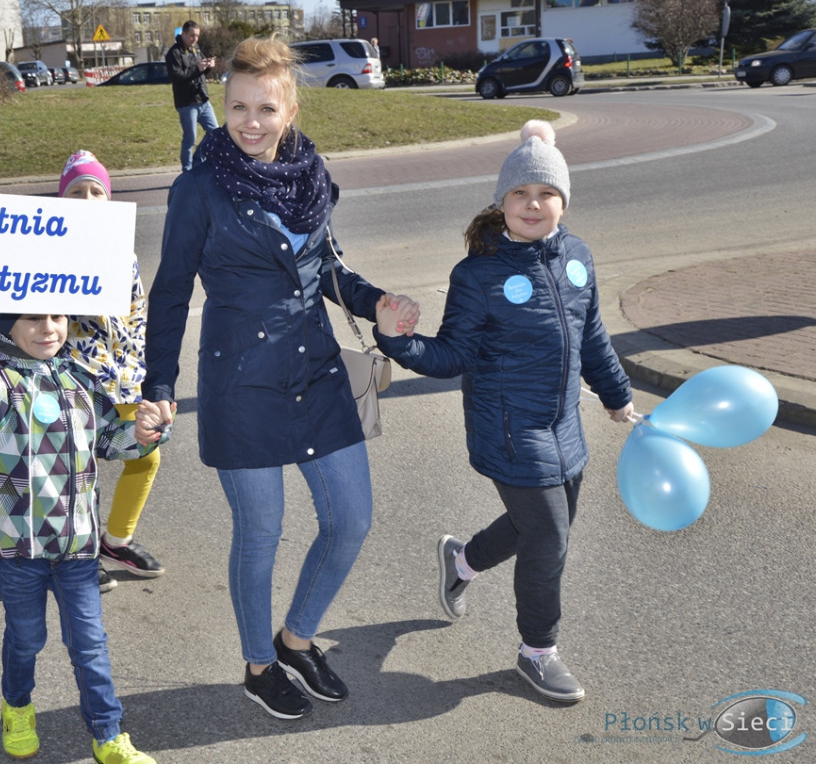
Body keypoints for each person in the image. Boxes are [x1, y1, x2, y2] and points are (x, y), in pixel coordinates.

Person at [144, 37, 420, 720]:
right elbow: (171, 293)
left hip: (319, 373)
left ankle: (296, 638)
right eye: (237, 106)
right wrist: (157, 386)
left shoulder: (310, 176)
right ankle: (258, 664)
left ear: (289, 107)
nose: (250, 121)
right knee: (261, 533)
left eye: (265, 107)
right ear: (223, 103)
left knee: (350, 519)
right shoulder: (200, 187)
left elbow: (330, 271)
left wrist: (376, 301)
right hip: (242, 384)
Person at [373, 120, 635, 704]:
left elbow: (592, 336)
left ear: (563, 200)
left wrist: (616, 395)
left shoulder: (577, 257)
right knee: (549, 539)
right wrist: (397, 342)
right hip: (510, 429)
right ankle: (537, 653)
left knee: (535, 527)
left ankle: (461, 562)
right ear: (502, 201)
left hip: (564, 422)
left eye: (545, 193)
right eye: (520, 193)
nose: (533, 204)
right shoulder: (479, 273)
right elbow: (452, 354)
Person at [0, 311, 168, 764]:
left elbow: (111, 439)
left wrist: (144, 434)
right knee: (26, 637)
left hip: (78, 545)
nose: (48, 328)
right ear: (6, 325)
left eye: (56, 317)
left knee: (89, 643)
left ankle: (107, 733)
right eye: (31, 319)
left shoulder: (80, 375)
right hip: (19, 546)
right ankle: (18, 707)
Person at [57, 151, 166, 594]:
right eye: (76, 192)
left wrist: (140, 372)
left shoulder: (127, 253)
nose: (87, 199)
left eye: (95, 191)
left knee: (146, 455)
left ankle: (115, 540)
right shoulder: (51, 254)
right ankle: (77, 556)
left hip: (124, 380)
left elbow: (138, 315)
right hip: (75, 382)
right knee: (77, 473)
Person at [165, 20, 218, 172]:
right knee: (190, 139)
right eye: (192, 36)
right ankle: (187, 171)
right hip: (187, 103)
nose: (194, 39)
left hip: (202, 99)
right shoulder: (173, 53)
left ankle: (197, 161)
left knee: (215, 133)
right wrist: (197, 68)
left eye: (197, 36)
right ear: (183, 34)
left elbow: (198, 72)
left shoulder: (196, 49)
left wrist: (207, 67)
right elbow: (177, 77)